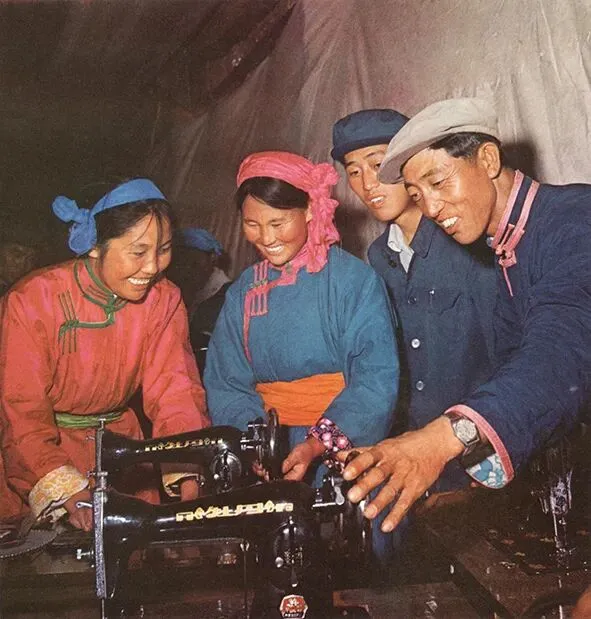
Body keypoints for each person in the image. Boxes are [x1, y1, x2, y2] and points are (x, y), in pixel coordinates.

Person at [339, 98, 591, 535]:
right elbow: (514, 367)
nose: (432, 207)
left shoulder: (574, 220)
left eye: (439, 182)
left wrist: (443, 439)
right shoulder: (506, 248)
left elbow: (560, 349)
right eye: (417, 195)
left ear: (488, 159)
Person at [0, 178, 209, 531]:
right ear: (95, 247)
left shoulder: (164, 299)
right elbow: (21, 411)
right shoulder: (32, 300)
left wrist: (188, 473)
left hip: (123, 459)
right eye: (138, 252)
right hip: (42, 456)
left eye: (164, 249)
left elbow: (177, 392)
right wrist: (67, 492)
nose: (153, 267)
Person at [204, 151, 399, 487]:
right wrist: (256, 446)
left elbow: (375, 379)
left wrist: (316, 444)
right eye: (252, 225)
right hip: (269, 453)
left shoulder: (354, 282)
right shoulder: (243, 292)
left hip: (341, 451)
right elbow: (226, 383)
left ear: (310, 209)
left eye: (278, 223)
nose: (266, 238)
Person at [332, 109, 497, 491]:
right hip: (413, 461)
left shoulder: (466, 240)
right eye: (353, 171)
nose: (367, 184)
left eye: (378, 164)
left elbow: (508, 351)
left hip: (479, 454)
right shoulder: (378, 257)